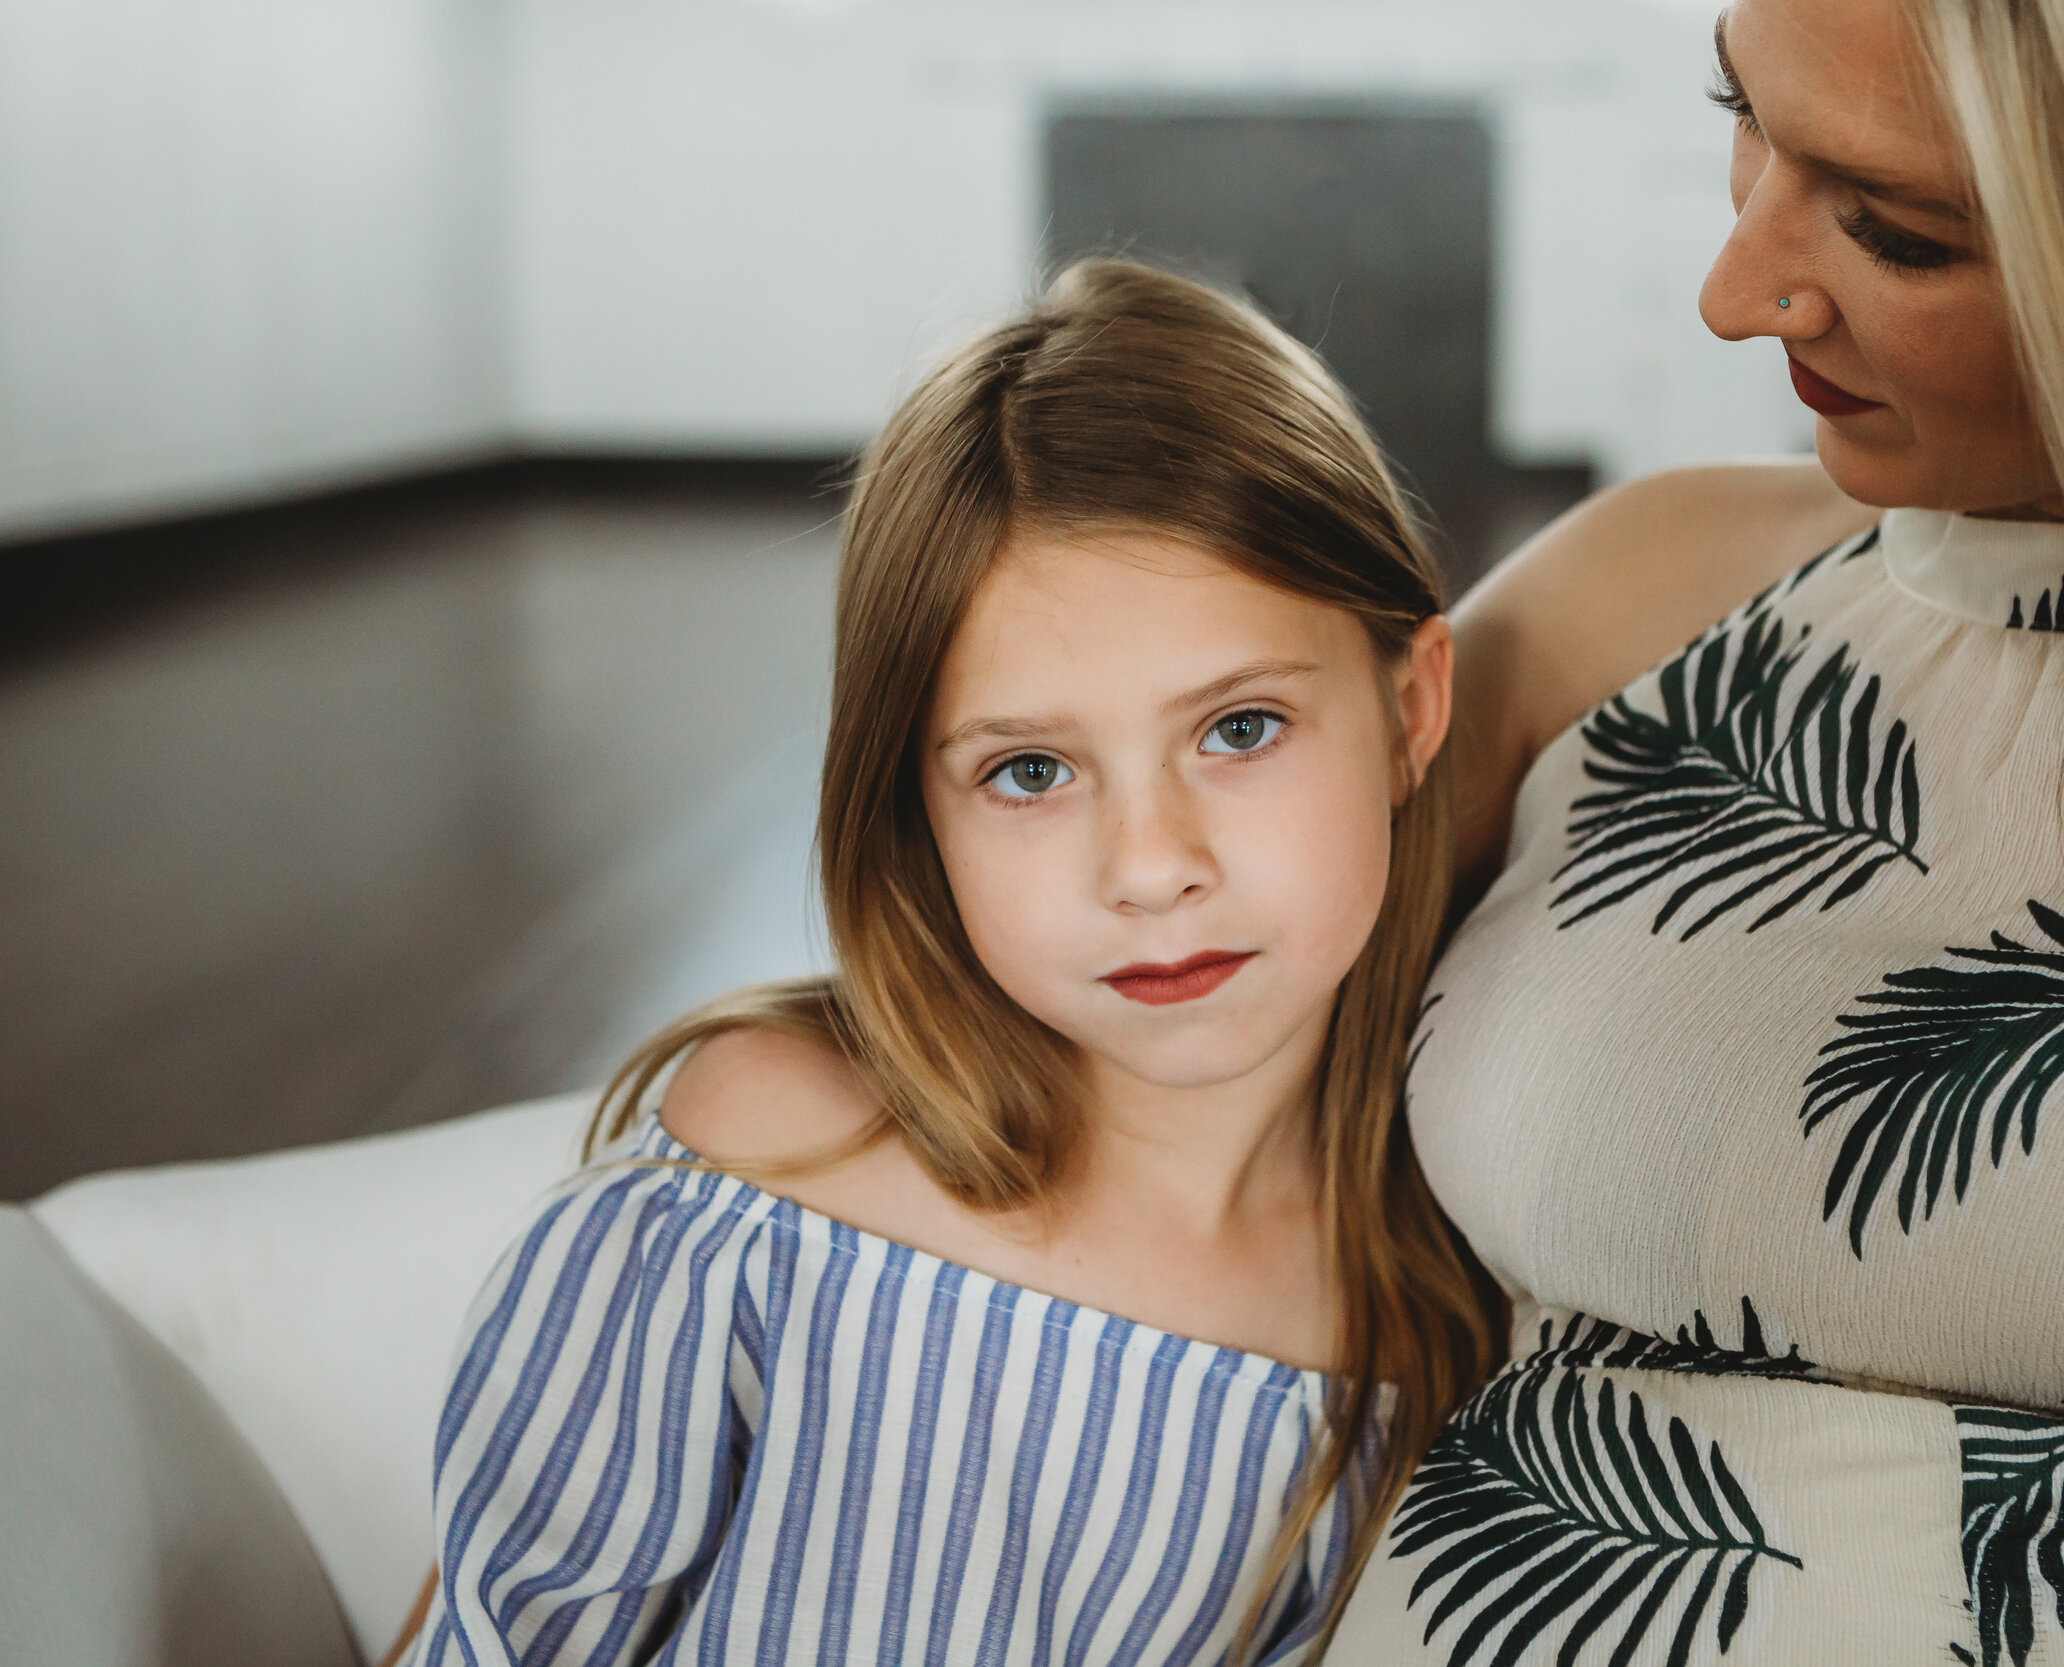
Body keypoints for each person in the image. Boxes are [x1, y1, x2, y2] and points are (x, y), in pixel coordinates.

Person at [1331, 0, 2064, 1662]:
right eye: (1742, 112)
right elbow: (1059, 1063)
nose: (1735, 293)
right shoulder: (1633, 609)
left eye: (1898, 230)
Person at [399, 260, 1502, 1667]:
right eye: (1032, 769)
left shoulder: (1424, 1330)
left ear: (1411, 710)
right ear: (918, 805)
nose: (1150, 865)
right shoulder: (772, 1166)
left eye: (1238, 730)